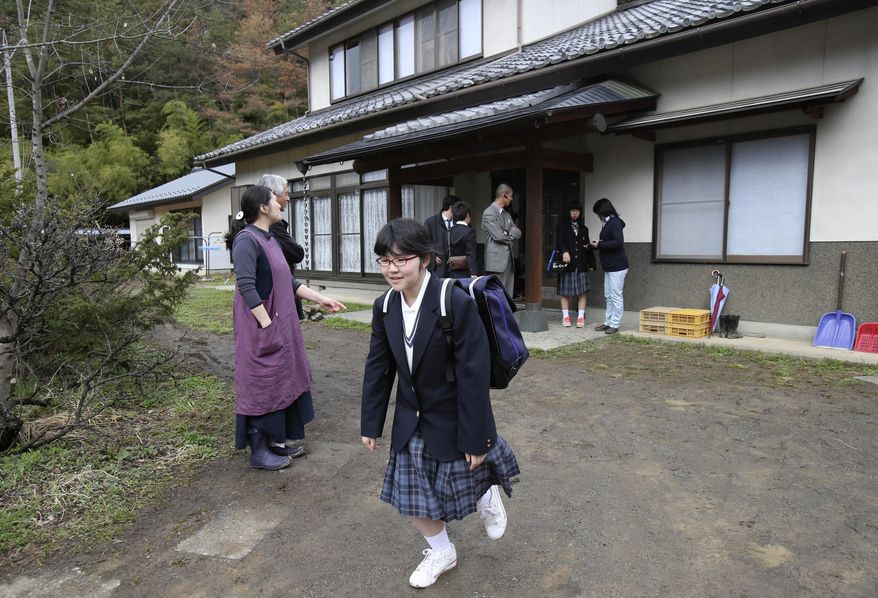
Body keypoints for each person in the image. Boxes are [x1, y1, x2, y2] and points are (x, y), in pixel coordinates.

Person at [361, 218, 520, 589]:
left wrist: (477, 436)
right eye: (384, 260)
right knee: (411, 496)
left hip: (454, 413)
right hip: (410, 416)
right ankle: (442, 551)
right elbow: (378, 366)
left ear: (426, 259)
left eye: (401, 260)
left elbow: (473, 374)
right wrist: (371, 423)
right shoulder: (384, 307)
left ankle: (487, 494)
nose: (392, 269)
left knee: (468, 474)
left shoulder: (454, 301)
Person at [225, 185, 345, 470]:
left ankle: (278, 441)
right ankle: (259, 448)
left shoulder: (269, 238)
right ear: (263, 208)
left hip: (282, 324)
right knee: (263, 381)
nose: (281, 204)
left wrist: (321, 298)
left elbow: (287, 282)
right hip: (262, 327)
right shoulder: (246, 240)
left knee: (285, 377)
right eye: (275, 201)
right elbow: (245, 286)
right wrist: (266, 325)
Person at [257, 174, 307, 321]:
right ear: (271, 197)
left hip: (278, 292)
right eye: (286, 194)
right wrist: (265, 322)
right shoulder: (266, 227)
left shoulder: (262, 228)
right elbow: (296, 253)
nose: (288, 199)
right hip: (273, 298)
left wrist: (319, 298)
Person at [590, 198, 629, 335]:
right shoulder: (608, 223)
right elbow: (608, 242)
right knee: (608, 295)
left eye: (597, 213)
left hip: (617, 265)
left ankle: (615, 324)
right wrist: (597, 244)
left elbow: (618, 243)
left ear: (602, 211)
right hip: (609, 266)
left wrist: (600, 244)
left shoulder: (614, 223)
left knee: (616, 296)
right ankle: (608, 322)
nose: (597, 216)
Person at [556, 202, 596, 328]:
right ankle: (566, 317)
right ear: (569, 212)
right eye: (572, 210)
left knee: (582, 292)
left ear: (580, 213)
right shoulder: (562, 226)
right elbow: (559, 241)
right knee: (565, 292)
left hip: (581, 263)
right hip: (567, 263)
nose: (575, 213)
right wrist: (565, 252)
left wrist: (591, 262)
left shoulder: (584, 228)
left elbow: (585, 245)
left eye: (577, 211)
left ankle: (580, 317)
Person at [482, 184, 521, 296]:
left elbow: (518, 232)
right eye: (510, 196)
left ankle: (506, 313)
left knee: (508, 293)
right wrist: (508, 234)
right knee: (496, 293)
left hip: (508, 259)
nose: (512, 199)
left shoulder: (507, 214)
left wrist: (506, 233)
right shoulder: (489, 213)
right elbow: (498, 236)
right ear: (504, 196)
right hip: (496, 260)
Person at [423, 195, 458, 277]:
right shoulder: (430, 222)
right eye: (458, 207)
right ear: (451, 207)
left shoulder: (459, 222)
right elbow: (425, 242)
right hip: (439, 264)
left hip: (456, 265)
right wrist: (433, 256)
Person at [447, 200, 478, 279]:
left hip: (451, 271)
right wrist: (473, 273)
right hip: (465, 272)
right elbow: (471, 253)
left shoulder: (449, 231)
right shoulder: (470, 231)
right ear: (468, 215)